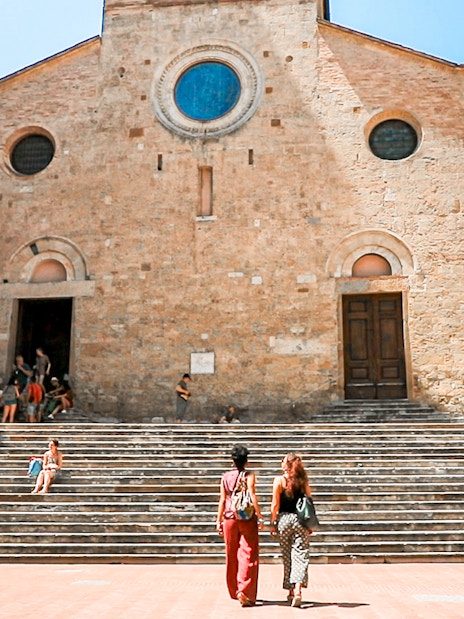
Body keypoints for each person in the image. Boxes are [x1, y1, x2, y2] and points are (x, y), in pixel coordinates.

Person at [216, 444, 264, 607]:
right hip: (246, 516)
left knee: (231, 553)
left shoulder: (225, 477)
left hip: (229, 516)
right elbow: (251, 493)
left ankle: (233, 589)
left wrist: (218, 520)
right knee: (248, 552)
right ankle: (245, 590)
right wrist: (259, 514)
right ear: (246, 460)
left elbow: (222, 499)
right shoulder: (248, 475)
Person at [270, 452, 313, 607]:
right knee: (301, 555)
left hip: (284, 520)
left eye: (282, 461)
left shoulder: (279, 480)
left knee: (287, 555)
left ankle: (289, 589)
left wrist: (273, 523)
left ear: (286, 465)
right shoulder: (303, 481)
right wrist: (310, 522)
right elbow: (309, 500)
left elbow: (275, 504)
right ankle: (298, 590)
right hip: (301, 520)